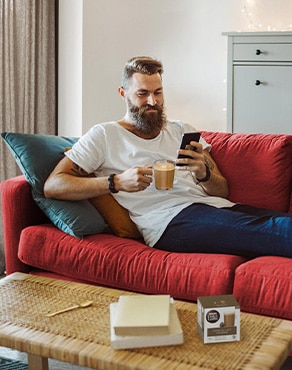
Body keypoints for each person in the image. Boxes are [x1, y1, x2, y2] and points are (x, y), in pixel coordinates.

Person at [44, 56, 292, 258]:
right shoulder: (104, 135)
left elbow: (221, 190)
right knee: (278, 232)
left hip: (214, 208)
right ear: (123, 93)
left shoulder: (181, 129)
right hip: (170, 222)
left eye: (158, 93)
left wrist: (203, 173)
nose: (152, 101)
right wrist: (116, 182)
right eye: (142, 94)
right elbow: (53, 185)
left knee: (283, 222)